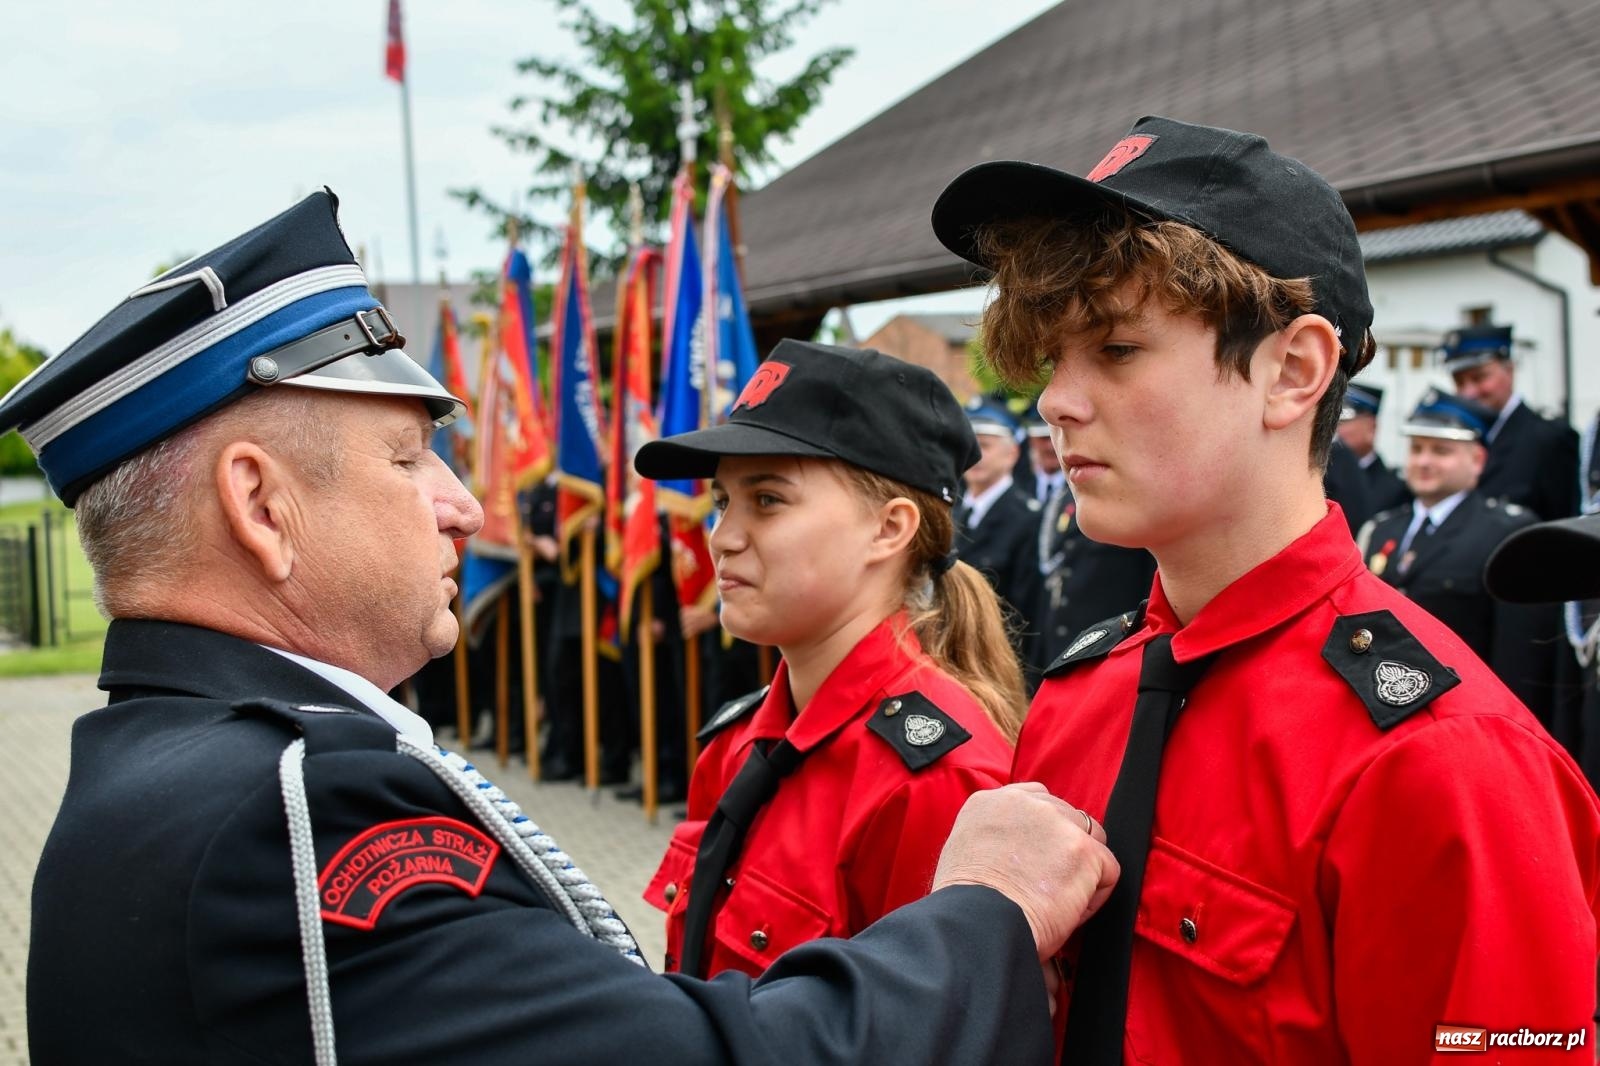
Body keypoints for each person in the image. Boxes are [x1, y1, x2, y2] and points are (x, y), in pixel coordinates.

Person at [17, 191, 1121, 1065]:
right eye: (408, 458)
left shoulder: (162, 762)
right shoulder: (296, 812)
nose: (461, 502)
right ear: (261, 507)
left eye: (767, 498)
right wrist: (985, 913)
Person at [932, 115, 1600, 1063]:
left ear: (1293, 371)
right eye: (1053, 359)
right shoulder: (1084, 698)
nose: (1055, 400)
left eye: (1116, 349)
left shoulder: (1442, 762)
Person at [634, 340, 1029, 979]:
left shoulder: (938, 783)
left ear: (889, 529)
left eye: (767, 500)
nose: (724, 537)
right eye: (722, 501)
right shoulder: (740, 744)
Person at [1358, 388, 1560, 725]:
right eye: (1417, 449)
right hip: (1386, 712)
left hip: (1467, 717)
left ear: (1477, 460)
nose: (1424, 461)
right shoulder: (1383, 529)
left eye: (1441, 451)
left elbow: (1520, 657)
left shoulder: (1508, 532)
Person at [1444, 323, 1579, 520]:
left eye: (1479, 378)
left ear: (1509, 370)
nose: (1469, 392)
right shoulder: (1462, 440)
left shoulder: (1547, 439)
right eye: (1459, 382)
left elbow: (1564, 522)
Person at [953, 399, 1040, 642]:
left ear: (1012, 453)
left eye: (984, 446)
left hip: (993, 650)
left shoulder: (1027, 519)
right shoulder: (952, 509)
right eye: (969, 446)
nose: (975, 455)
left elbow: (1026, 610)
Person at [1337, 381, 1410, 511]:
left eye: (1346, 422)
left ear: (1371, 427)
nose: (1339, 431)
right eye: (1338, 423)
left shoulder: (1394, 486)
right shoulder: (1327, 473)